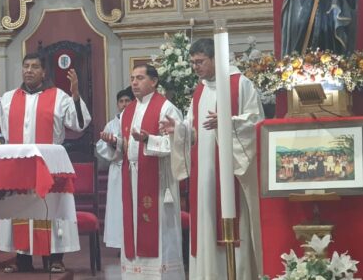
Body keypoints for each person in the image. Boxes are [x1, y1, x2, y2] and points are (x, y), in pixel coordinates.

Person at [0, 53, 91, 273]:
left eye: (35, 66)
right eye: (26, 66)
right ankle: (22, 258)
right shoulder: (8, 98)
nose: (29, 70)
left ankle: (55, 258)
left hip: (49, 164)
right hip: (19, 167)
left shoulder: (59, 97)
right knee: (20, 208)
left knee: (50, 208)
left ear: (44, 72)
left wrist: (75, 95)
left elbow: (79, 124)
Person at [160, 38, 264, 280]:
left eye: (200, 62)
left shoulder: (240, 84)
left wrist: (228, 122)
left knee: (232, 223)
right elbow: (193, 129)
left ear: (216, 58)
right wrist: (178, 129)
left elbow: (256, 123)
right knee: (206, 223)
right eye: (193, 63)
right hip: (205, 176)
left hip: (231, 173)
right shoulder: (201, 89)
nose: (196, 67)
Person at [105, 65, 183, 279]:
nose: (134, 83)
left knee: (159, 230)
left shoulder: (166, 108)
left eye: (140, 78)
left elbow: (179, 144)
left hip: (157, 178)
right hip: (131, 177)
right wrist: (115, 142)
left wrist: (149, 139)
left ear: (154, 81)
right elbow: (126, 147)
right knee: (133, 228)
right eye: (132, 78)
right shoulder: (128, 111)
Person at [95, 87, 135, 253]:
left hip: (135, 168)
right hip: (118, 170)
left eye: (127, 101)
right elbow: (101, 147)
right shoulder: (111, 125)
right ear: (117, 104)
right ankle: (120, 244)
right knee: (119, 208)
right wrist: (111, 144)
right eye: (121, 101)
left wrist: (119, 143)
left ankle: (136, 242)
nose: (124, 104)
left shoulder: (138, 120)